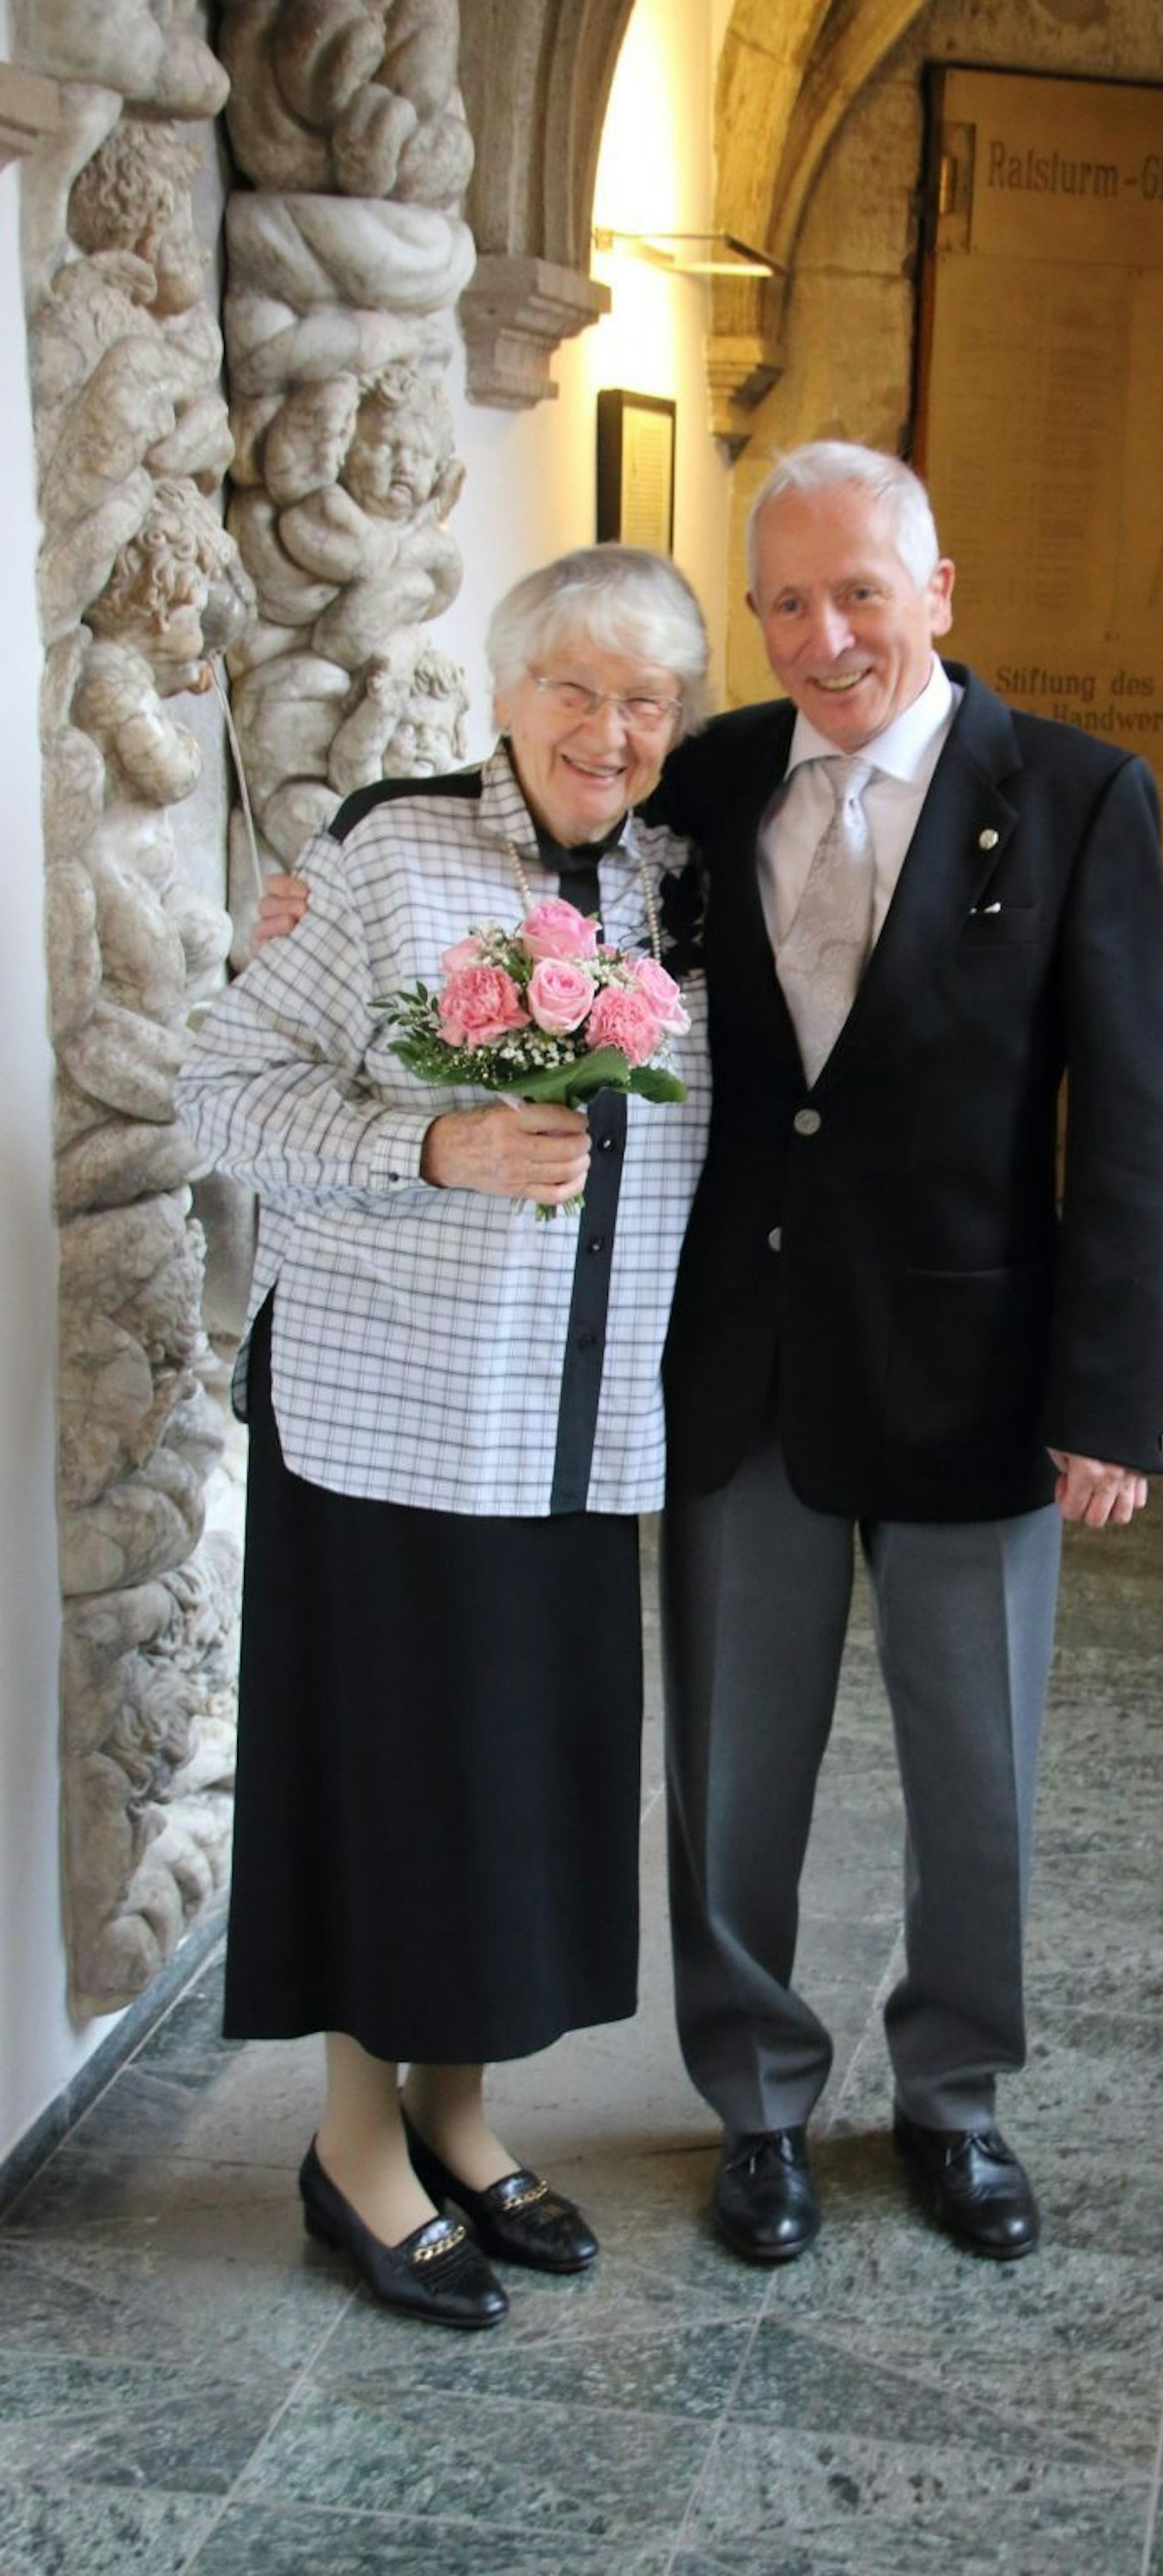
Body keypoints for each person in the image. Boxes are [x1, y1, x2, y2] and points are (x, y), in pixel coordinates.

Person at [655, 442, 1163, 2264]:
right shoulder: (706, 779)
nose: (824, 635)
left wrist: (1109, 1399)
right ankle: (757, 2101)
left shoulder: (1076, 798)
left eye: (861, 592)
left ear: (937, 593)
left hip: (975, 1378)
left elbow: (1125, 1126)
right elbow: (527, 835)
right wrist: (333, 878)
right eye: (786, 599)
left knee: (978, 1775)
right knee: (731, 1774)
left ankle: (950, 2101)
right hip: (744, 1371)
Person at [177, 544, 710, 2329]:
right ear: (505, 690)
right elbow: (224, 1089)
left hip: (577, 1434)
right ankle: (352, 2144)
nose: (609, 730)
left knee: (516, 1797)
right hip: (388, 1419)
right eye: (575, 687)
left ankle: (460, 2121)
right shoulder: (390, 850)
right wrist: (427, 1147)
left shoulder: (677, 881)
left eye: (647, 701)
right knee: (388, 1788)